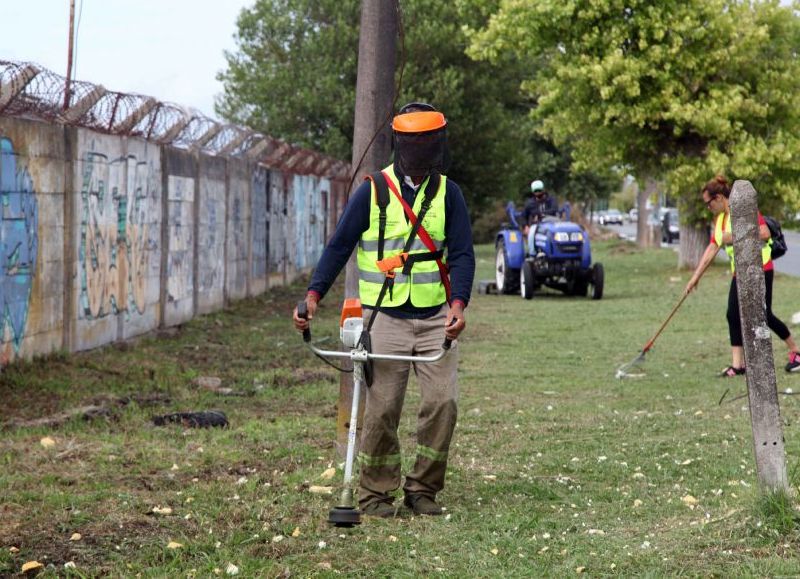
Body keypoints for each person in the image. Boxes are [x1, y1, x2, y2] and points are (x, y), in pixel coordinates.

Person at [292, 102, 475, 517]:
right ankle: (375, 494)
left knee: (443, 404)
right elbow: (339, 246)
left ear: (439, 144)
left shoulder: (450, 194)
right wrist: (313, 296)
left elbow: (463, 254)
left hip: (434, 320)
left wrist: (459, 305)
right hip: (384, 319)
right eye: (416, 142)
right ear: (401, 144)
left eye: (430, 141)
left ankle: (423, 489)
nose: (424, 150)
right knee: (382, 410)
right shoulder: (373, 190)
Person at [684, 175, 800, 376]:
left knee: (763, 315)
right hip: (740, 272)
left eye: (708, 203)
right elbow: (712, 247)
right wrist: (696, 277)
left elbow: (764, 233)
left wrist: (736, 234)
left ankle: (796, 352)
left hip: (760, 269)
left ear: (719, 198)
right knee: (733, 314)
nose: (708, 207)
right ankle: (738, 365)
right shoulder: (720, 220)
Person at [522, 179, 559, 255]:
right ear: (533, 192)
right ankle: (532, 253)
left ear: (543, 190)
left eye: (539, 190)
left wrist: (541, 214)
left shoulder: (551, 199)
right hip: (536, 224)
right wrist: (525, 226)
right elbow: (523, 216)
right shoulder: (530, 203)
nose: (538, 193)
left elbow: (554, 210)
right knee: (531, 233)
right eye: (536, 191)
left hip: (552, 223)